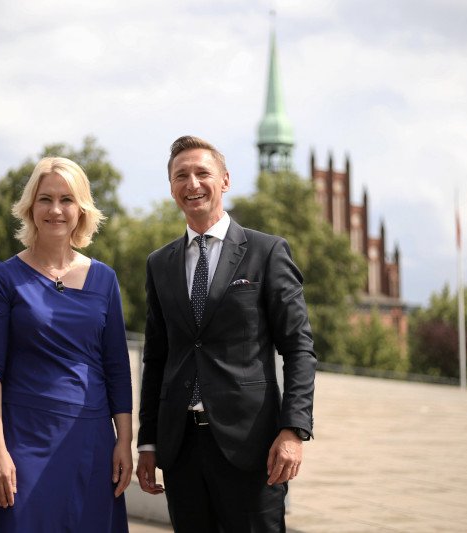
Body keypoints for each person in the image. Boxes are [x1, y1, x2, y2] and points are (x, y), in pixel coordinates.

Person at [136, 135, 317, 532]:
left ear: (225, 180)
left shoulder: (267, 252)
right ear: (171, 188)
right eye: (181, 175)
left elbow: (299, 348)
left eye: (203, 173)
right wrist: (147, 442)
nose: (192, 183)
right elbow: (157, 357)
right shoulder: (160, 263)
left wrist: (293, 430)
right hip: (181, 449)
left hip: (252, 447)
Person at [0, 157, 132, 532]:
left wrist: (124, 441)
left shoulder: (105, 279)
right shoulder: (3, 278)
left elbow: (117, 368)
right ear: (30, 207)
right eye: (45, 199)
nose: (55, 210)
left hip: (90, 440)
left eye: (67, 200)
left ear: (82, 210)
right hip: (21, 438)